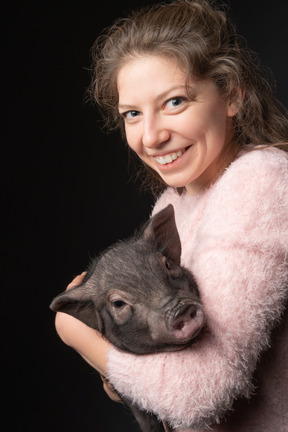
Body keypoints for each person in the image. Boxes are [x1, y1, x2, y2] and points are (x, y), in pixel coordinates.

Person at [55, 0, 288, 430]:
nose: (152, 135)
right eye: (133, 114)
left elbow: (199, 391)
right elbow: (151, 372)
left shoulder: (262, 183)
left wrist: (78, 336)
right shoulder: (173, 203)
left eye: (175, 101)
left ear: (232, 94)